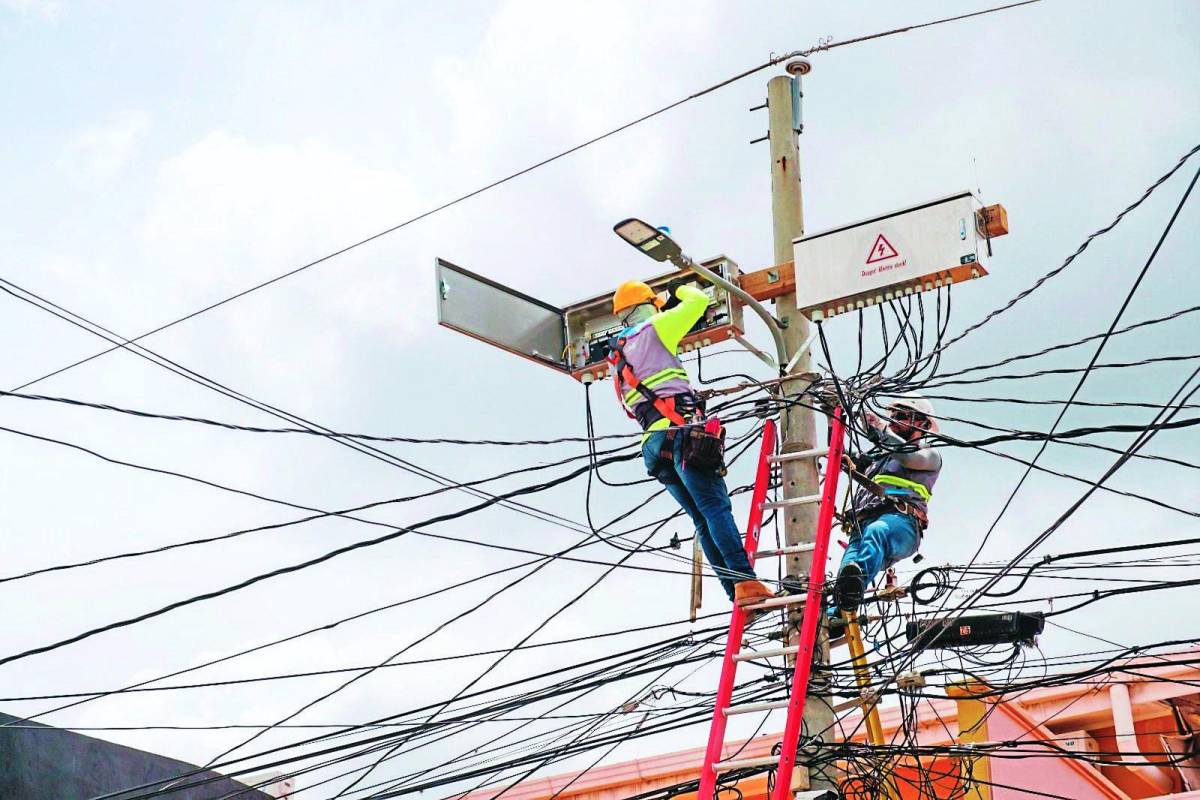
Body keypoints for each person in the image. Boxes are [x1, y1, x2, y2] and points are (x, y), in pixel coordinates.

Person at [609, 278, 774, 609]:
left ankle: (737, 591)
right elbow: (698, 301)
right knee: (715, 509)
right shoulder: (655, 327)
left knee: (702, 518)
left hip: (654, 446)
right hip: (680, 431)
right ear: (645, 307)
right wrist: (677, 291)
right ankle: (744, 582)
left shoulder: (618, 357)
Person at [832, 394, 942, 613]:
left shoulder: (929, 455)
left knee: (877, 532)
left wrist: (880, 428)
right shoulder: (879, 460)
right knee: (847, 572)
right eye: (892, 416)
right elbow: (837, 451)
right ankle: (837, 615)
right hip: (861, 527)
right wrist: (833, 416)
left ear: (922, 423)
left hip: (901, 523)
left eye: (901, 416)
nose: (893, 420)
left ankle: (849, 595)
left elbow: (907, 456)